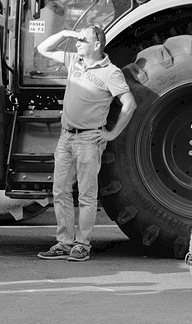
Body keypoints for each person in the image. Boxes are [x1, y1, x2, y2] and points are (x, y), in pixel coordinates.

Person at [36, 25, 136, 262]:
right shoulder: (74, 61)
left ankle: (82, 244)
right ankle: (64, 242)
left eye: (83, 39)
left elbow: (129, 103)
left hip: (90, 139)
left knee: (87, 195)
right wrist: (66, 34)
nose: (78, 43)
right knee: (60, 191)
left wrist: (111, 134)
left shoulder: (111, 73)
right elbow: (42, 48)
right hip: (66, 136)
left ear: (97, 44)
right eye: (77, 39)